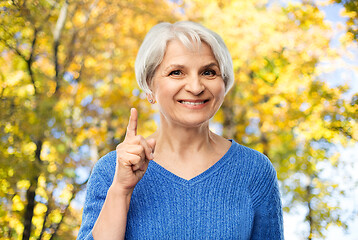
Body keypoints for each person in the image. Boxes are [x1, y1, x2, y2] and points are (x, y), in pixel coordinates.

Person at [77, 21, 284, 240]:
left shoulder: (255, 170)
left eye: (208, 72)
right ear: (149, 86)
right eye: (177, 72)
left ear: (224, 83)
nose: (195, 87)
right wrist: (120, 191)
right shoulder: (112, 171)